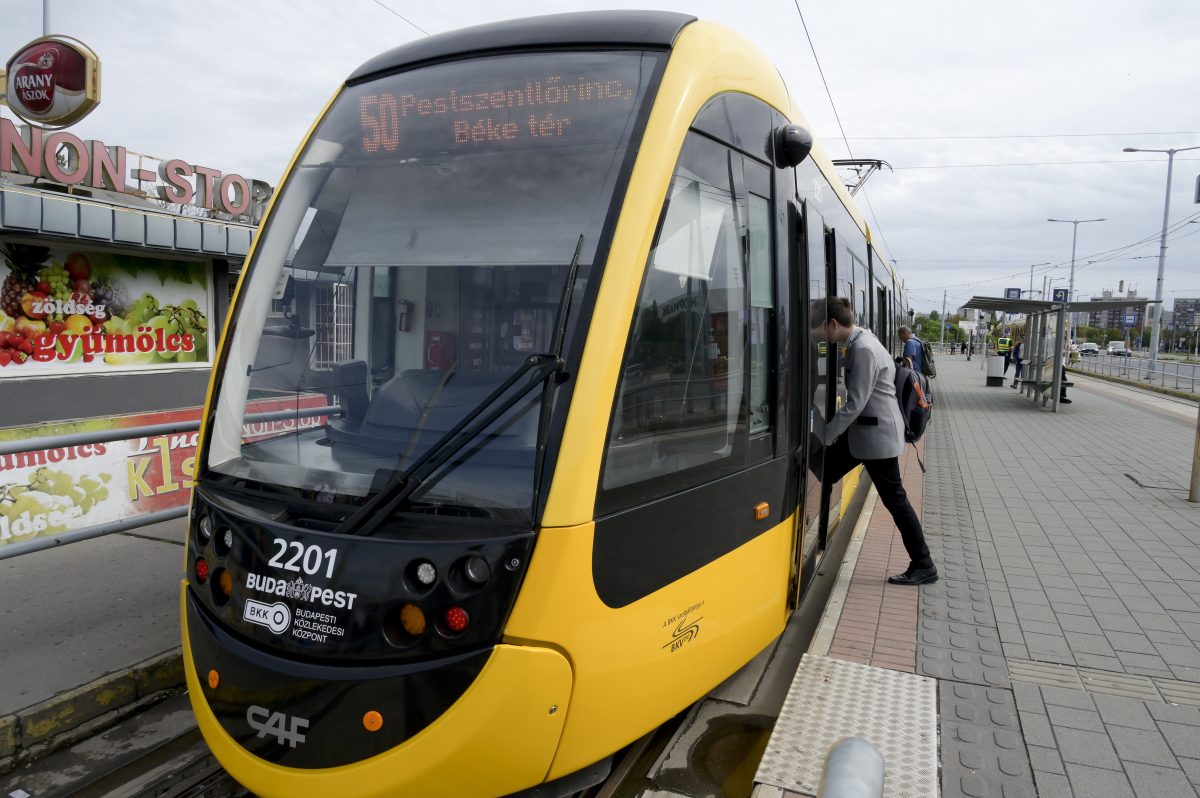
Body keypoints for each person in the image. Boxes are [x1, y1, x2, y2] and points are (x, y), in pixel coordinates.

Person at [809, 297, 937, 586]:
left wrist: (826, 435)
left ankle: (924, 564)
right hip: (868, 433)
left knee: (896, 500)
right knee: (826, 469)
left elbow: (855, 404)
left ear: (832, 324)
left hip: (876, 438)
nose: (819, 338)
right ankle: (815, 528)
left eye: (820, 332)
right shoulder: (862, 341)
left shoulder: (863, 348)